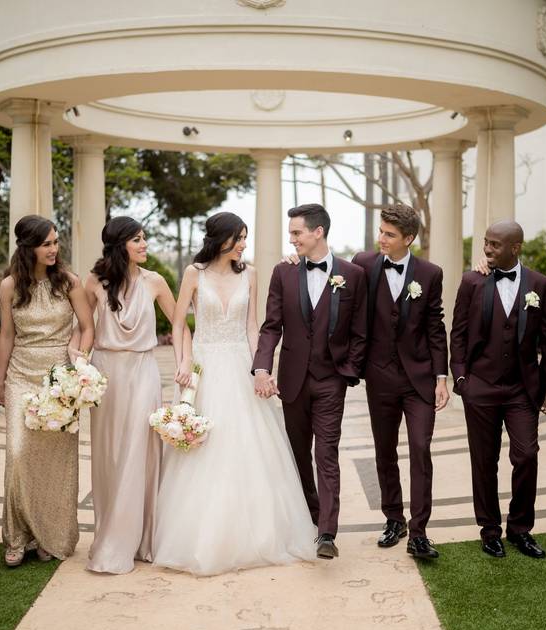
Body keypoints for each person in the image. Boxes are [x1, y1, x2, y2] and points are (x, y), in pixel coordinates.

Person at [153, 212, 317, 575]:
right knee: (205, 446)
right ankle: (201, 538)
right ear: (221, 238)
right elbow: (179, 323)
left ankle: (259, 535)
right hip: (206, 365)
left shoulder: (251, 273)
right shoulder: (194, 273)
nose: (245, 243)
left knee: (249, 446)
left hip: (240, 364)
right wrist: (183, 362)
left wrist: (261, 368)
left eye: (246, 237)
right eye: (240, 237)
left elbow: (252, 326)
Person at [252, 204, 368, 560]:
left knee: (326, 454)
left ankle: (327, 533)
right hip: (293, 380)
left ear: (318, 232)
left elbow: (361, 330)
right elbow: (272, 326)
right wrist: (261, 367)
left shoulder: (353, 274)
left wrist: (350, 369)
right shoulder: (283, 273)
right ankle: (311, 517)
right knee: (298, 456)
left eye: (297, 233)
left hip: (332, 380)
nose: (292, 239)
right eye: (291, 234)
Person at [79, 216, 184, 574]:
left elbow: (179, 322)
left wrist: (186, 361)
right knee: (110, 455)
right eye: (137, 239)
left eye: (144, 238)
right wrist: (76, 365)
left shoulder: (155, 281)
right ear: (119, 243)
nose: (144, 244)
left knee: (141, 452)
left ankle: (142, 539)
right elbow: (84, 330)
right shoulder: (94, 281)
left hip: (143, 372)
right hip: (105, 374)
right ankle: (111, 534)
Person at [452, 220, 546, 560]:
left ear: (516, 248)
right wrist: (461, 380)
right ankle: (490, 531)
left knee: (527, 455)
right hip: (480, 387)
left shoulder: (541, 286)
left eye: (495, 244)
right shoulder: (472, 282)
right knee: (484, 461)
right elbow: (458, 333)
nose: (487, 249)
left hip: (522, 389)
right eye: (486, 243)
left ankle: (520, 529)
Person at [350, 204, 450, 560]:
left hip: (419, 378)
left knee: (420, 450)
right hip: (379, 377)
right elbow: (331, 277)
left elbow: (435, 327)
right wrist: (294, 262)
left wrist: (441, 376)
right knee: (384, 451)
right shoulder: (363, 264)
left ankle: (419, 532)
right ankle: (394, 519)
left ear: (408, 238)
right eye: (381, 231)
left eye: (390, 234)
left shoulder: (430, 273)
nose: (382, 239)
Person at [0, 214, 94, 567]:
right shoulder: (8, 286)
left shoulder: (69, 282)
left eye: (55, 241)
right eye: (46, 243)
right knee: (18, 455)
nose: (54, 249)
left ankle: (49, 535)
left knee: (55, 462)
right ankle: (17, 536)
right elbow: (6, 335)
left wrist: (78, 366)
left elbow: (87, 327)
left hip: (60, 378)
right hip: (22, 373)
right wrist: (1, 378)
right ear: (28, 247)